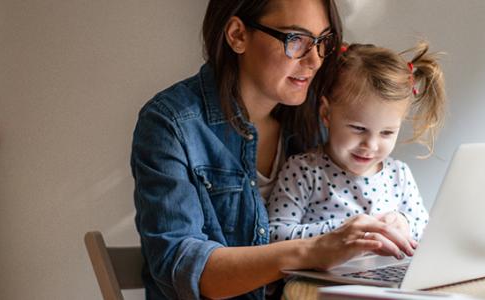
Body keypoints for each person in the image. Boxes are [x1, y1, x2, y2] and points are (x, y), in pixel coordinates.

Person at [131, 1, 417, 299]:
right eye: (296, 40)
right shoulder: (172, 124)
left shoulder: (322, 119)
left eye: (323, 42)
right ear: (238, 35)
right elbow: (180, 266)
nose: (315, 60)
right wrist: (316, 249)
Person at [267, 42, 446, 246]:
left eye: (387, 133)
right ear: (326, 113)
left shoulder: (399, 175)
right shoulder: (304, 171)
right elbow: (275, 234)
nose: (370, 144)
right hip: (320, 278)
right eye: (359, 129)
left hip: (382, 276)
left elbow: (424, 230)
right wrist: (344, 230)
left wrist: (404, 224)